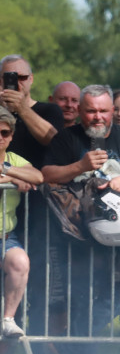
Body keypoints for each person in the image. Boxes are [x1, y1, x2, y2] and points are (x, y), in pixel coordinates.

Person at [41, 85, 120, 354]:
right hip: (79, 237)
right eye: (91, 110)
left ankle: (72, 344)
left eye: (103, 110)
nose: (98, 117)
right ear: (80, 110)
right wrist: (80, 166)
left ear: (111, 110)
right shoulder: (67, 138)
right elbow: (47, 174)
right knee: (81, 300)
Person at [0, 106, 42, 340]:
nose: (0, 137)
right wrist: (16, 177)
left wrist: (8, 172)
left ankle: (8, 320)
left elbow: (38, 176)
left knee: (20, 262)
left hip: (5, 237)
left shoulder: (14, 159)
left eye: (4, 133)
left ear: (11, 136)